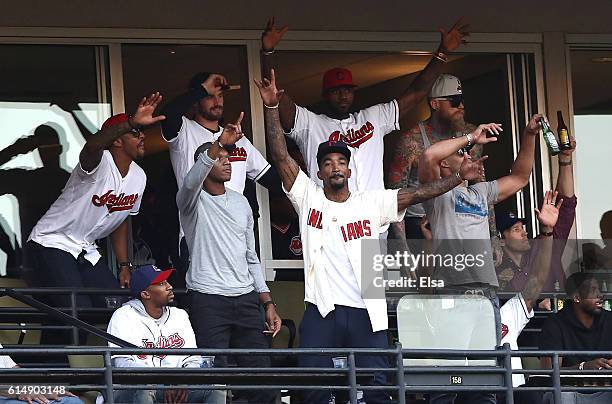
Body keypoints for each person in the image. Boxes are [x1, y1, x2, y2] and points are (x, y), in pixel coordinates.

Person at [255, 69, 485, 404]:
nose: (335, 167)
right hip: (323, 310)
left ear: (350, 170)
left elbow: (418, 193)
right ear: (319, 172)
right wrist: (273, 109)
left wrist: (457, 178)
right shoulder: (309, 198)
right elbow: (280, 157)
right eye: (328, 162)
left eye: (341, 161)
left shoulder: (371, 203)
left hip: (367, 310)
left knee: (378, 391)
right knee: (313, 391)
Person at [260, 17, 468, 195]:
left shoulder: (373, 117)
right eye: (336, 91)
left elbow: (416, 93)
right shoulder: (311, 124)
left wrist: (442, 52)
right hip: (332, 224)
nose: (343, 95)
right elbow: (275, 96)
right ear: (324, 95)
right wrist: (267, 53)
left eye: (348, 90)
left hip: (372, 224)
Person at [417, 115, 543, 404]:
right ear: (445, 164)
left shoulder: (481, 192)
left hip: (486, 293)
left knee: (486, 379)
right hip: (453, 292)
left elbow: (521, 177)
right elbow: (427, 155)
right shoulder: (437, 195)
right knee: (449, 378)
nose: (468, 157)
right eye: (460, 154)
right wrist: (471, 138)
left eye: (468, 153)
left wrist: (529, 135)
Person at [175, 116, 281, 404]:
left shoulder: (241, 201)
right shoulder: (191, 201)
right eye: (219, 158)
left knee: (260, 378)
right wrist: (219, 143)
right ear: (205, 165)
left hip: (246, 298)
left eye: (228, 157)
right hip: (208, 298)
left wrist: (267, 302)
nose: (227, 162)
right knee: (212, 380)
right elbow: (190, 182)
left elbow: (251, 256)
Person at [27, 93, 164, 310]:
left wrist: (124, 265)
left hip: (85, 249)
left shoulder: (139, 176)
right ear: (117, 140)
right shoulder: (98, 162)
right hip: (53, 242)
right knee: (77, 310)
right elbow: (92, 145)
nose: (142, 137)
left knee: (117, 308)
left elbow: (121, 218)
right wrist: (130, 122)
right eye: (135, 132)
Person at [160, 72, 281, 289]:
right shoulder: (185, 131)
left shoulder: (239, 140)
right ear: (196, 101)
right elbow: (168, 113)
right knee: (204, 306)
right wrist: (200, 90)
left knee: (242, 299)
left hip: (236, 237)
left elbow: (273, 180)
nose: (217, 101)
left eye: (221, 96)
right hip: (199, 236)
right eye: (210, 96)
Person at [387, 74, 498, 243]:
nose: (461, 106)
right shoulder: (412, 141)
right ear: (435, 104)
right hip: (420, 224)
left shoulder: (472, 135)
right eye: (454, 101)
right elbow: (395, 196)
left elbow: (481, 188)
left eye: (461, 100)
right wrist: (402, 246)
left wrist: (493, 236)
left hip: (462, 220)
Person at [107, 265, 225, 404]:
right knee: (144, 388)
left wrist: (184, 381)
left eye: (167, 282)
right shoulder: (123, 316)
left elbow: (192, 359)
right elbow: (123, 364)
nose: (169, 287)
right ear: (146, 294)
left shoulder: (179, 315)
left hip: (176, 383)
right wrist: (163, 381)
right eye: (162, 284)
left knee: (217, 387)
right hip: (133, 388)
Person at [496, 135, 578, 294]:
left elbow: (566, 205)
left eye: (522, 228)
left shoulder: (542, 246)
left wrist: (565, 158)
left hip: (558, 318)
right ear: (501, 241)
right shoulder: (497, 270)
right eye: (516, 230)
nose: (524, 233)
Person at [539, 272, 612, 403]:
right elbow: (548, 373)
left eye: (599, 290)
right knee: (562, 396)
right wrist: (584, 368)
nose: (600, 295)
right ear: (577, 297)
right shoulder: (555, 323)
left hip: (606, 389)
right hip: (570, 392)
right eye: (593, 290)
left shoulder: (609, 319)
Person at [0, 343, 83, 403]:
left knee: (73, 402)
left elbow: (15, 370)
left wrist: (40, 389)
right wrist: (18, 393)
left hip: (12, 392)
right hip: (6, 395)